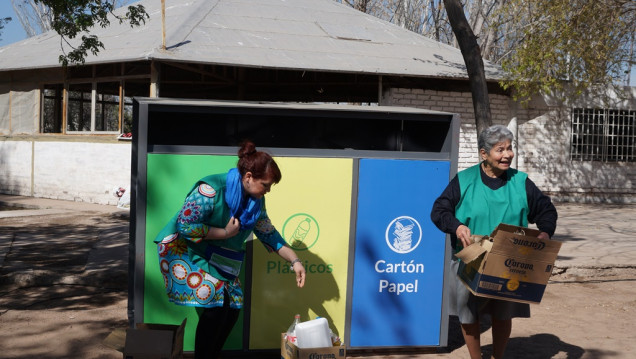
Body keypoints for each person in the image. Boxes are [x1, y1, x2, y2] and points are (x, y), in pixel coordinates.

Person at [154, 141, 306, 359]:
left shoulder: (256, 201)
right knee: (216, 308)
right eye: (265, 184)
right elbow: (185, 225)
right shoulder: (210, 190)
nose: (268, 191)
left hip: (218, 258)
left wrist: (295, 260)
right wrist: (224, 233)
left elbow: (268, 233)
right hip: (185, 251)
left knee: (232, 309)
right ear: (248, 177)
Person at [430, 124, 557, 359]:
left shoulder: (521, 182)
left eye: (509, 148)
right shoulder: (464, 180)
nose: (507, 154)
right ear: (484, 154)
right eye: (500, 150)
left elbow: (546, 211)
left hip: (509, 260)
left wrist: (545, 233)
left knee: (503, 313)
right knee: (468, 313)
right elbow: (439, 210)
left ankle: (499, 355)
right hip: (471, 258)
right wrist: (457, 227)